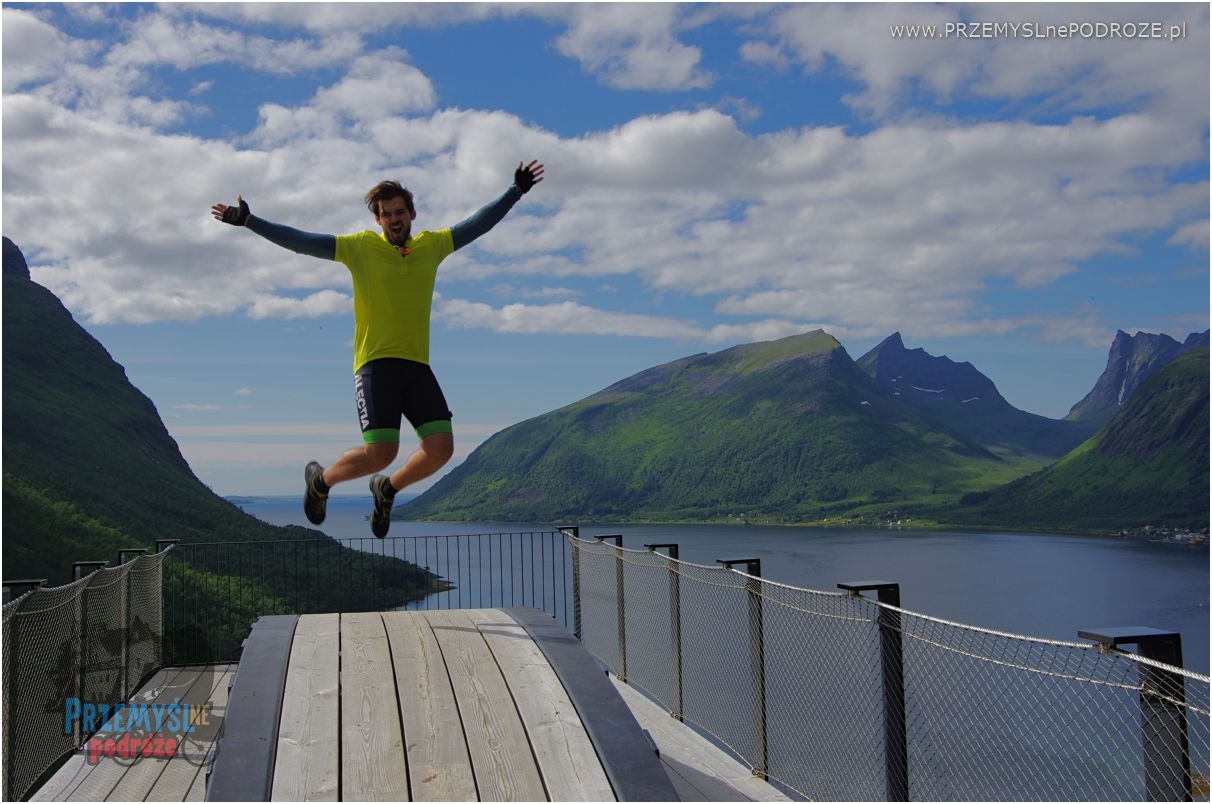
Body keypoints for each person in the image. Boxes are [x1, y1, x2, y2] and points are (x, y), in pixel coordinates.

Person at [212, 161, 544, 537]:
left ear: (412, 213)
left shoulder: (432, 246)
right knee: (381, 452)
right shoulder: (359, 249)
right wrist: (251, 222)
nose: (394, 219)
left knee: (440, 449)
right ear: (378, 220)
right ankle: (320, 482)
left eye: (399, 212)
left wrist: (514, 192)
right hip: (375, 365)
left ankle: (387, 490)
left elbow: (476, 224)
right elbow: (302, 241)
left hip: (416, 365)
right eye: (386, 215)